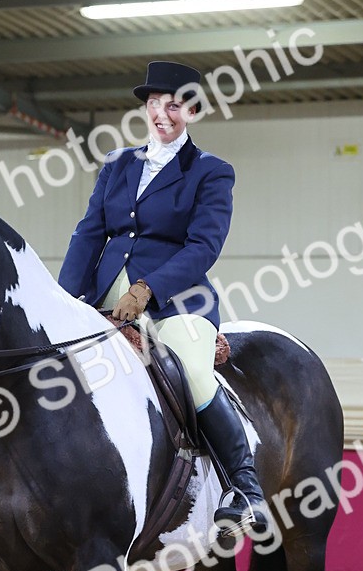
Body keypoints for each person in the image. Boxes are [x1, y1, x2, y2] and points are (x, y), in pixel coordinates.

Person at [58, 61, 269, 536]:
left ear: (190, 111)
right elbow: (88, 234)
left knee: (191, 371)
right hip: (104, 293)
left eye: (173, 105)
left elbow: (204, 247)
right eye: (154, 104)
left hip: (178, 301)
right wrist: (63, 298)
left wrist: (147, 288)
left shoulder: (211, 172)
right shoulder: (118, 165)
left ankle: (244, 485)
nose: (161, 113)